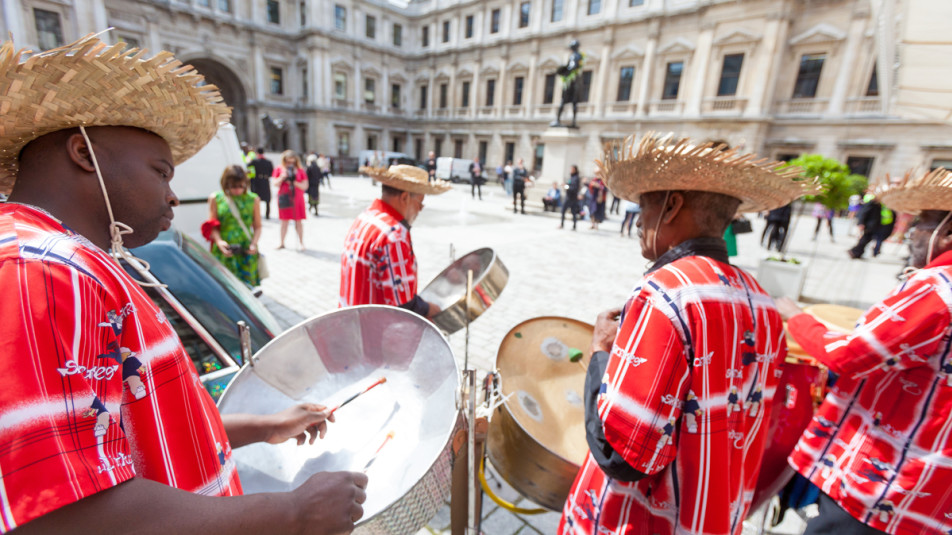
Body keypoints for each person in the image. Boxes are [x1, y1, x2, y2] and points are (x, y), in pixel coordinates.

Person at [0, 34, 366, 534]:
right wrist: (293, 512)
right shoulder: (41, 269)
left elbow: (131, 430)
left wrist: (268, 426)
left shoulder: (64, 260)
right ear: (85, 153)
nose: (173, 196)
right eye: (161, 172)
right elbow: (63, 512)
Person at [560, 133, 818, 534]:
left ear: (671, 206)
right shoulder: (763, 302)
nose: (638, 221)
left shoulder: (664, 294)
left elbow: (622, 456)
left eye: (644, 205)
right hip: (712, 516)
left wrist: (600, 353)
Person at [775, 168, 952, 535]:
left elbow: (849, 355)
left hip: (886, 480)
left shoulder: (937, 288)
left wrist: (797, 318)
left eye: (922, 222)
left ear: (947, 232)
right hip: (930, 487)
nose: (911, 232)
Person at [340, 164, 451, 318]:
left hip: (350, 321)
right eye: (420, 203)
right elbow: (403, 305)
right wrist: (429, 309)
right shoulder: (394, 234)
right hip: (373, 327)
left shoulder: (366, 217)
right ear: (404, 198)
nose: (420, 210)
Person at [207, 165, 262, 286]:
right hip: (224, 251)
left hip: (246, 251)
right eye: (233, 186)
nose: (237, 190)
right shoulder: (216, 198)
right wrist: (219, 242)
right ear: (226, 184)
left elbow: (258, 226)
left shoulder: (253, 199)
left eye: (241, 186)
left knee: (247, 289)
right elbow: (213, 225)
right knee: (224, 286)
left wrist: (253, 244)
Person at [273, 149, 308, 251]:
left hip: (297, 198)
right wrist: (282, 177)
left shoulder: (300, 170)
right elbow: (275, 183)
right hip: (284, 197)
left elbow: (305, 186)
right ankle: (282, 242)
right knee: (284, 222)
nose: (290, 164)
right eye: (288, 162)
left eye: (292, 162)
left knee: (298, 221)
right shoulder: (279, 169)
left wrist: (294, 182)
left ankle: (301, 242)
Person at [849, 193, 895, 259]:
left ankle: (856, 252)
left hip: (873, 225)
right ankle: (855, 252)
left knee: (866, 239)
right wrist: (861, 223)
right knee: (865, 239)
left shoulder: (878, 204)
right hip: (869, 225)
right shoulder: (872, 203)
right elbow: (863, 213)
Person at [552, 40, 584, 128]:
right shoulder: (580, 56)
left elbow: (572, 66)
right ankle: (573, 122)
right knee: (574, 102)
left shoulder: (574, 56)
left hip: (571, 82)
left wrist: (564, 70)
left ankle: (557, 120)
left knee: (563, 100)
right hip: (577, 81)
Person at [247, 147, 274, 219]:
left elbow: (248, 166)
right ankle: (267, 214)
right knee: (267, 198)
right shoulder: (268, 162)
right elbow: (272, 172)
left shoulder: (255, 161)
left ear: (257, 153)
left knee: (256, 197)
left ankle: (255, 214)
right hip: (265, 181)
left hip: (257, 181)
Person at [560, 164, 582, 230]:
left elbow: (574, 188)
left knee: (573, 212)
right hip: (569, 196)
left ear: (575, 170)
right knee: (564, 211)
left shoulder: (576, 178)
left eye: (572, 169)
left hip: (571, 198)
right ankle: (562, 224)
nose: (571, 170)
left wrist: (566, 186)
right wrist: (565, 185)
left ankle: (574, 226)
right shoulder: (571, 177)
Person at [305, 152, 322, 216]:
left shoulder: (310, 167)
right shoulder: (318, 167)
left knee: (311, 196)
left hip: (311, 184)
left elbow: (307, 176)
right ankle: (316, 209)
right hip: (316, 184)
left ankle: (311, 207)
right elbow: (320, 175)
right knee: (316, 196)